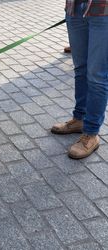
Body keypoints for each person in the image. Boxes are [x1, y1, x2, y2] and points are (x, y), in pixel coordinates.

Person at [51, 0, 108, 159]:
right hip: (75, 7)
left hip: (103, 10)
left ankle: (91, 133)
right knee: (80, 69)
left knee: (97, 76)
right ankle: (79, 119)